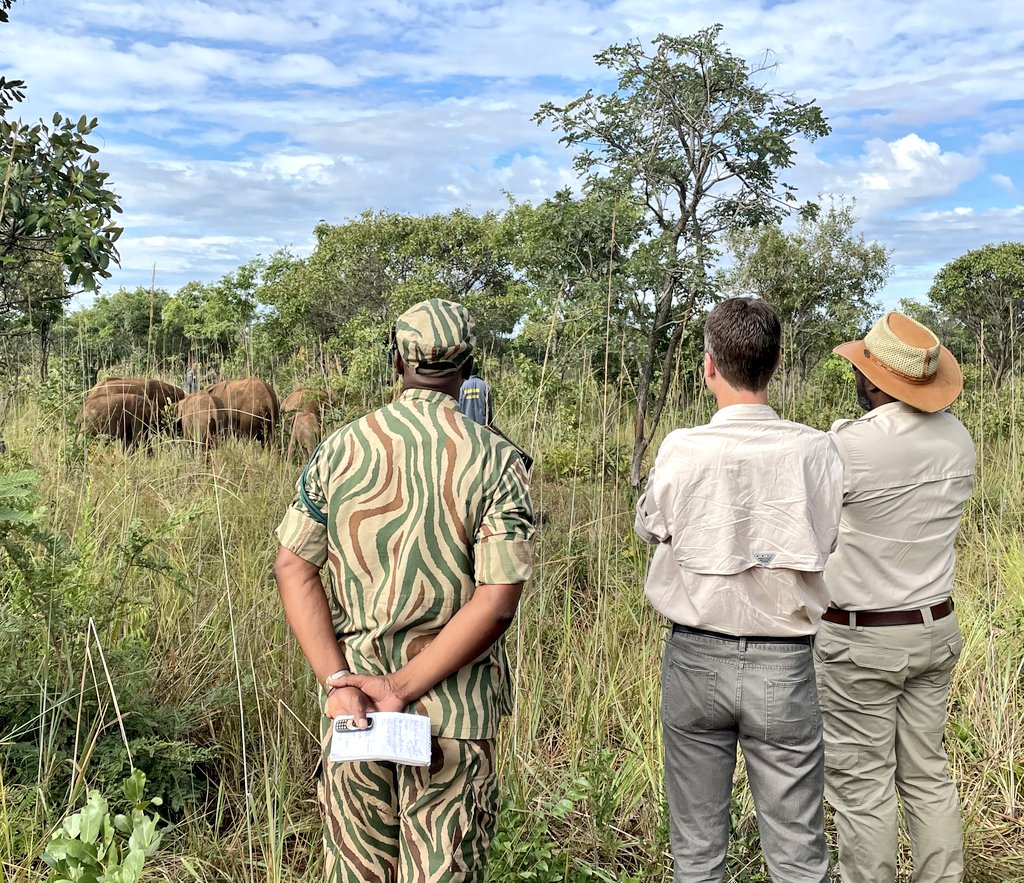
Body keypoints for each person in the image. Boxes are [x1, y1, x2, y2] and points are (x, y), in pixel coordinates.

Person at [274, 298, 535, 883]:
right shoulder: (496, 458)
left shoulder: (338, 450)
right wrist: (402, 688)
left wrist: (340, 683)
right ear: (469, 367)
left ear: (395, 359)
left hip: (355, 713)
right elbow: (496, 601)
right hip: (455, 717)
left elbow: (292, 566)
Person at [634, 297, 843, 883]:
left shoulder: (682, 447)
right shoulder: (817, 449)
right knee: (798, 853)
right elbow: (825, 538)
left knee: (697, 851)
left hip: (696, 655)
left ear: (709, 366)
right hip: (783, 661)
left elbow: (652, 525)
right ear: (776, 363)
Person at [815, 311, 975, 883]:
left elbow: (811, 529)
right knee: (928, 774)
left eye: (863, 369)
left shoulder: (851, 447)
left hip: (863, 637)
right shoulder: (959, 439)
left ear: (880, 381)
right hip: (935, 627)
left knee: (863, 786)